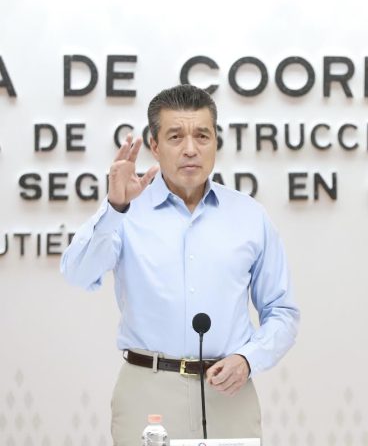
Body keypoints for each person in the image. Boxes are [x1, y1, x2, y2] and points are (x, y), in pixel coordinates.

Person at [61, 84, 299, 444]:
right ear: (155, 146)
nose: (191, 148)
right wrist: (114, 209)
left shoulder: (250, 216)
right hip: (147, 392)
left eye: (202, 135)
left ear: (215, 141)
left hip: (228, 393)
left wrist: (249, 359)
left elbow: (282, 311)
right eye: (175, 136)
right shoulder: (126, 210)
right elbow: (78, 274)